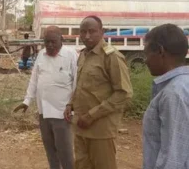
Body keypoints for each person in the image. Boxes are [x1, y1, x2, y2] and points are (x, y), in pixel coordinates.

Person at [64, 15, 133, 169]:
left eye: (92, 31)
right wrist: (71, 104)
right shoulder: (82, 54)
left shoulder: (112, 56)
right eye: (83, 32)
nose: (87, 36)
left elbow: (123, 94)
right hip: (81, 127)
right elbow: (82, 85)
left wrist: (92, 115)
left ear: (102, 32)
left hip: (100, 130)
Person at [14, 26, 78, 169]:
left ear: (61, 39)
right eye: (46, 41)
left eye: (53, 41)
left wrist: (71, 105)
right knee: (50, 151)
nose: (49, 45)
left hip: (62, 114)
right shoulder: (41, 54)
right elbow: (34, 79)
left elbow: (77, 83)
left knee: (65, 152)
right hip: (44, 113)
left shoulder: (71, 55)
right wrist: (27, 100)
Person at [142, 24, 189, 169]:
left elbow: (173, 157)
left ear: (160, 51)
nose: (145, 60)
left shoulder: (173, 93)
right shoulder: (184, 84)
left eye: (147, 54)